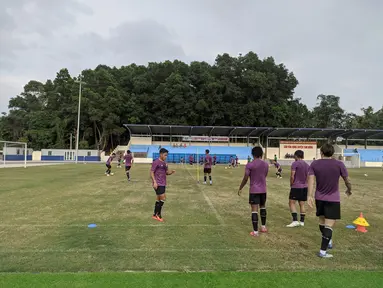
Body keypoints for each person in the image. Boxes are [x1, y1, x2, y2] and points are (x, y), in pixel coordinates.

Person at [307, 143, 352, 258]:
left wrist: (309, 196)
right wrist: (349, 189)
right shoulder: (339, 164)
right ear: (332, 153)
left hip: (319, 198)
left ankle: (329, 241)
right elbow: (347, 179)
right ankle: (323, 251)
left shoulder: (315, 164)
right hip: (333, 199)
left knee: (322, 221)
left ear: (321, 152)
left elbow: (311, 181)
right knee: (329, 224)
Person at [238, 147, 269, 237]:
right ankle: (263, 227)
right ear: (261, 154)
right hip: (263, 190)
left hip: (254, 190)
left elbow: (246, 178)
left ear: (252, 154)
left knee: (254, 210)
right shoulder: (266, 165)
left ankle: (255, 232)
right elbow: (265, 175)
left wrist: (240, 187)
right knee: (263, 207)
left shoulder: (250, 165)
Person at [150, 148, 176, 222]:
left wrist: (171, 172)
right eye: (165, 155)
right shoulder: (156, 162)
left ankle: (154, 215)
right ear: (161, 154)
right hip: (158, 184)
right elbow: (151, 172)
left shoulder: (165, 163)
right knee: (163, 198)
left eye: (166, 155)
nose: (166, 157)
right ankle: (159, 214)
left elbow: (166, 173)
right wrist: (154, 182)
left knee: (158, 199)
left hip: (163, 183)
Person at [286, 150, 310, 228]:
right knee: (302, 204)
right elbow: (308, 177)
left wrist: (291, 184)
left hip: (296, 186)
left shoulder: (295, 163)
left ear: (296, 156)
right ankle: (302, 222)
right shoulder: (307, 165)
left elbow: (292, 175)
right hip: (304, 186)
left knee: (291, 203)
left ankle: (295, 220)